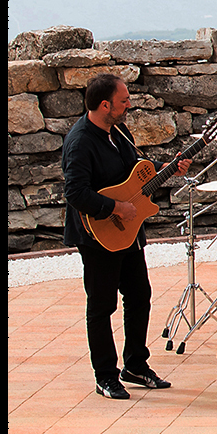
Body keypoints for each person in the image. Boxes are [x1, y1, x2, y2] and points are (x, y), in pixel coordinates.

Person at [62, 73, 189, 399]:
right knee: (102, 305)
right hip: (97, 235)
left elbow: (136, 170)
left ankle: (135, 365)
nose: (129, 105)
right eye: (124, 101)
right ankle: (105, 376)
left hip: (129, 234)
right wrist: (116, 207)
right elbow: (75, 193)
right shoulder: (80, 142)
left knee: (139, 296)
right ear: (105, 105)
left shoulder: (119, 131)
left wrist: (167, 166)